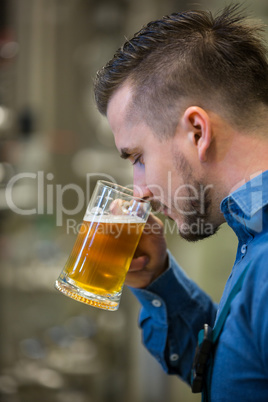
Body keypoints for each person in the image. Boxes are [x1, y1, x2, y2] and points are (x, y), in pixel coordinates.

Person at [94, 4, 268, 401]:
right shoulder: (254, 234)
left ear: (196, 131)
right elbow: (235, 373)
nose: (139, 191)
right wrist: (157, 278)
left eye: (138, 157)